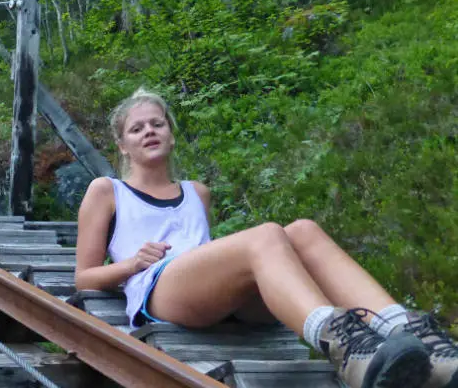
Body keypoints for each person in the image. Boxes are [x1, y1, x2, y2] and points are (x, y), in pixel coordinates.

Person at [75, 87, 456, 388]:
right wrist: (130, 264)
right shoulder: (107, 191)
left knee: (303, 231)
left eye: (157, 124)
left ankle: (419, 341)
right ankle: (349, 349)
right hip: (161, 291)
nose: (149, 132)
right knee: (267, 235)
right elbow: (84, 276)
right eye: (137, 128)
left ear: (171, 134)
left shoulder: (197, 192)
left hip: (217, 295)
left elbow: (210, 254)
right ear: (122, 146)